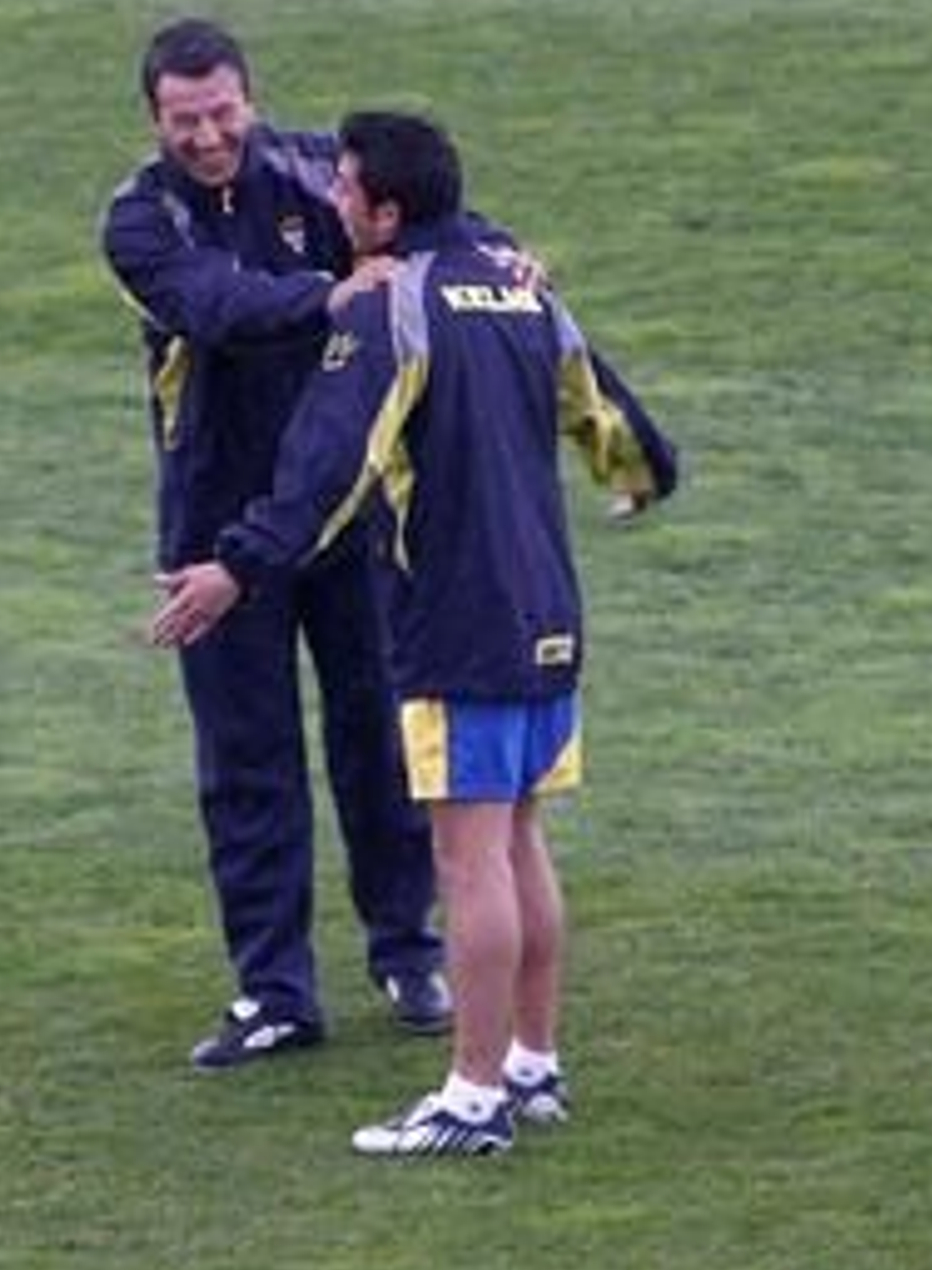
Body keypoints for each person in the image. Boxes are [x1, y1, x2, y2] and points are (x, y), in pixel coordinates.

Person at [149, 110, 678, 1156]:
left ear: (386, 212)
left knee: (468, 854)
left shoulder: (397, 301)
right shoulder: (515, 277)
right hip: (545, 609)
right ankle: (532, 1063)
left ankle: (472, 1098)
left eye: (345, 189)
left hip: (454, 616)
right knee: (520, 838)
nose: (332, 202)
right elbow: (595, 398)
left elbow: (329, 462)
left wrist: (236, 565)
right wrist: (641, 470)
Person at [102, 22, 455, 1068]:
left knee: (379, 739)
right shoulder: (138, 219)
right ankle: (274, 988)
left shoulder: (316, 170)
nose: (207, 136)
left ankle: (408, 951)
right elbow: (209, 306)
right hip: (214, 534)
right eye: (184, 120)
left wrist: (492, 251)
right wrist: (328, 294)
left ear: (249, 98)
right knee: (246, 763)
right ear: (154, 119)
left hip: (346, 513)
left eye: (221, 112)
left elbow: (419, 222)